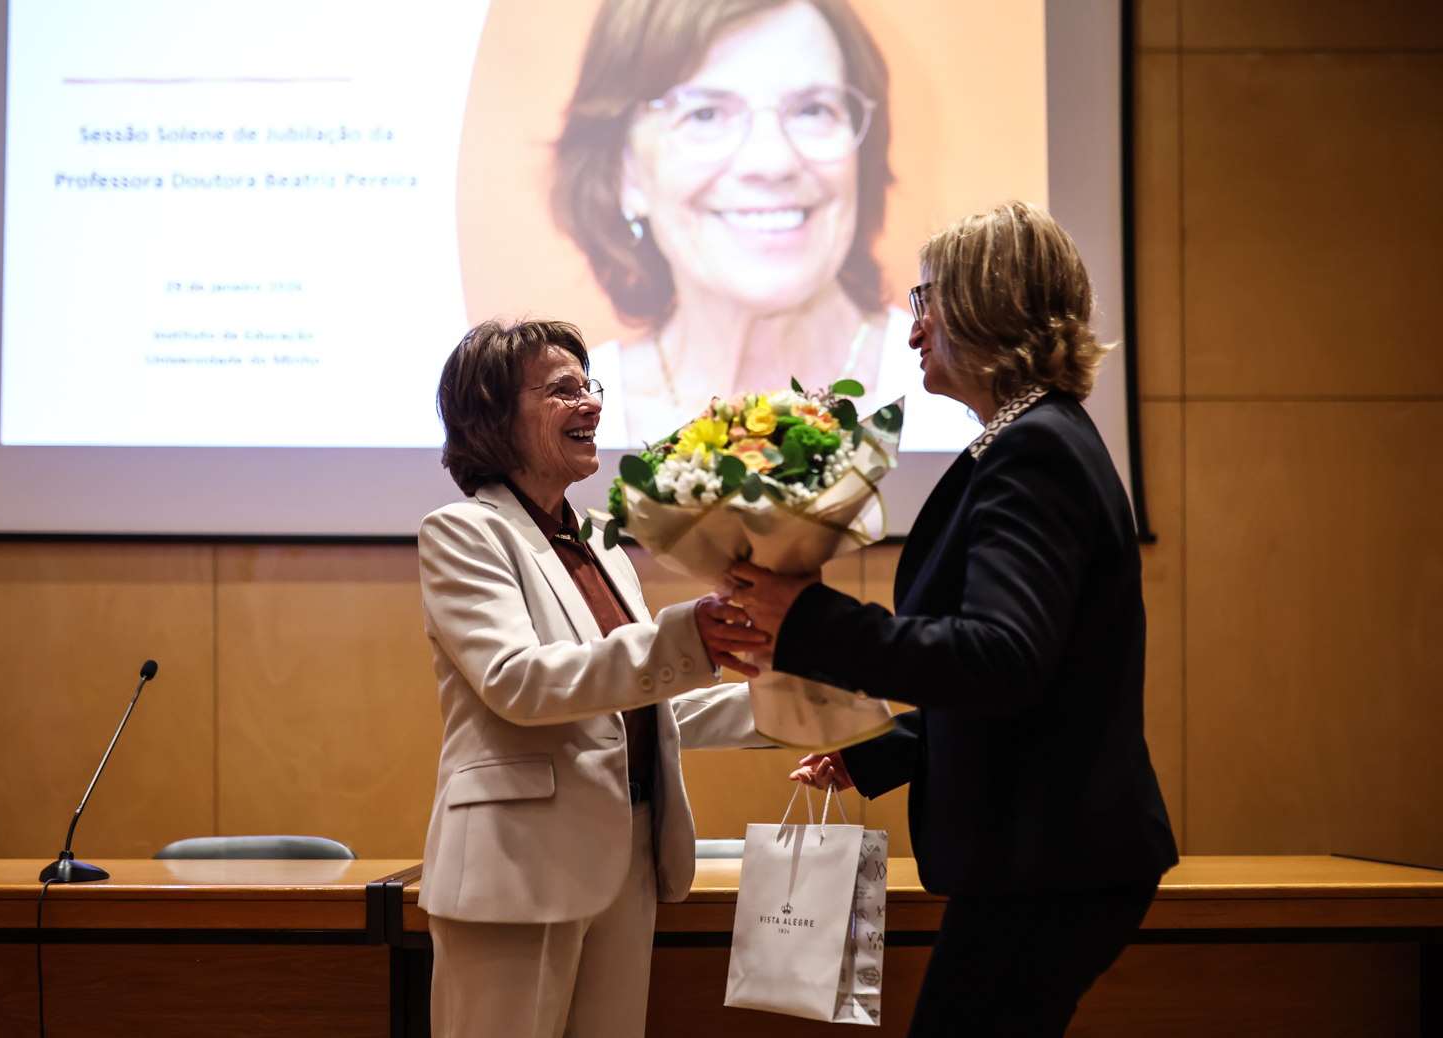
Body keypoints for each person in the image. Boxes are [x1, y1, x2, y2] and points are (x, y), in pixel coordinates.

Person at [725, 201, 1179, 1037]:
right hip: (1051, 854)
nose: (912, 331)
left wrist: (810, 619)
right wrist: (882, 753)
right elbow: (1032, 677)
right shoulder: (1031, 439)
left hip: (1050, 860)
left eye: (924, 301)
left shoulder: (1034, 449)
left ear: (987, 301)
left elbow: (1002, 660)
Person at [418, 318, 771, 1038]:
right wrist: (684, 635)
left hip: (626, 859)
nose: (592, 403)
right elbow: (519, 682)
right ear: (492, 414)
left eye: (591, 385)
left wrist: (785, 709)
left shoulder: (601, 546)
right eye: (561, 390)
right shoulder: (463, 532)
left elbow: (640, 705)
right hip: (518, 870)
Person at [551, 0, 977, 449]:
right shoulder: (566, 419)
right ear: (625, 171)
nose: (772, 161)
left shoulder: (965, 404)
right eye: (706, 113)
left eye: (813, 110)